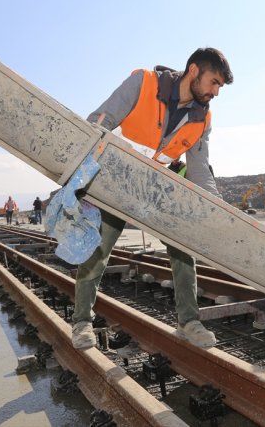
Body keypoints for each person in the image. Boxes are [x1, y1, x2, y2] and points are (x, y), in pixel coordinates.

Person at [71, 47, 233, 349]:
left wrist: (218, 212)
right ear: (194, 71)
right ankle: (81, 322)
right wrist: (86, 182)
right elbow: (98, 123)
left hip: (155, 189)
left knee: (183, 248)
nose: (216, 92)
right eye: (214, 82)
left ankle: (188, 322)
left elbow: (199, 172)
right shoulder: (143, 84)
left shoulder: (202, 118)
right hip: (114, 182)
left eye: (220, 87)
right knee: (97, 250)